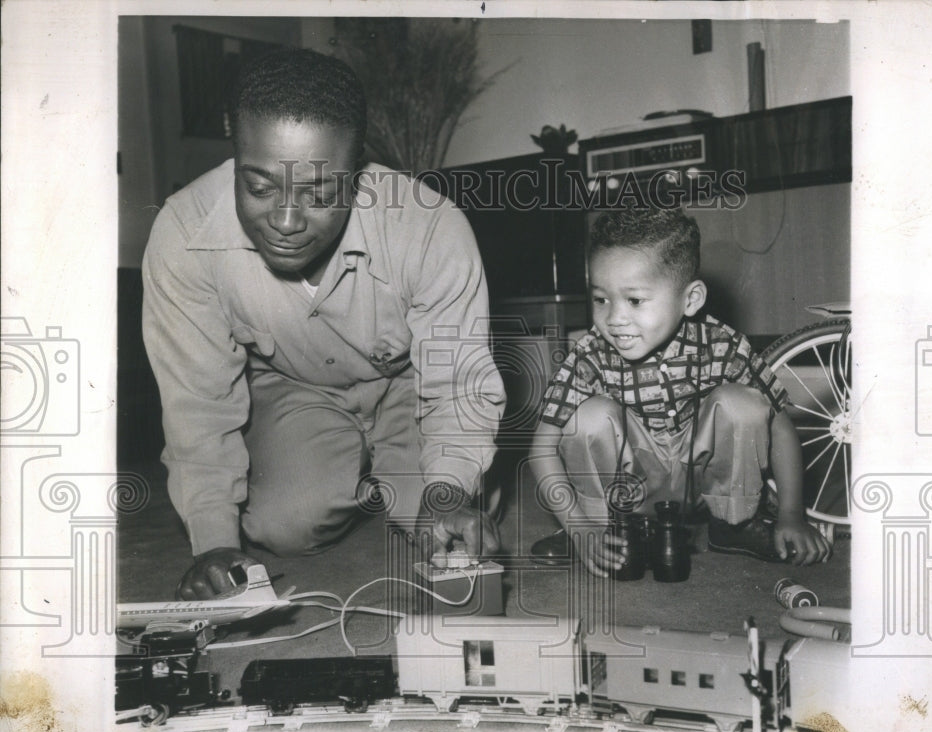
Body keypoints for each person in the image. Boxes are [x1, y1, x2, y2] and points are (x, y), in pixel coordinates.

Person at [142, 49, 506, 600]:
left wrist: (451, 488)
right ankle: (366, 480)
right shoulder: (183, 234)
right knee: (282, 525)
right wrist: (212, 539)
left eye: (320, 194)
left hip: (408, 389)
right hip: (294, 390)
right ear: (232, 143)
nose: (286, 222)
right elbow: (196, 401)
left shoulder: (431, 226)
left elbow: (457, 382)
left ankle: (401, 478)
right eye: (259, 187)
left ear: (358, 167)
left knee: (445, 523)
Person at [529, 205, 832, 577]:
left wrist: (791, 515)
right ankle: (600, 529)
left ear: (691, 300)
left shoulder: (722, 344)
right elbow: (541, 448)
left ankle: (734, 526)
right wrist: (578, 525)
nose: (614, 318)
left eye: (635, 300)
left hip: (702, 488)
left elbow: (781, 428)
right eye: (601, 299)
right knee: (588, 416)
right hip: (627, 495)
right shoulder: (589, 353)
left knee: (744, 404)